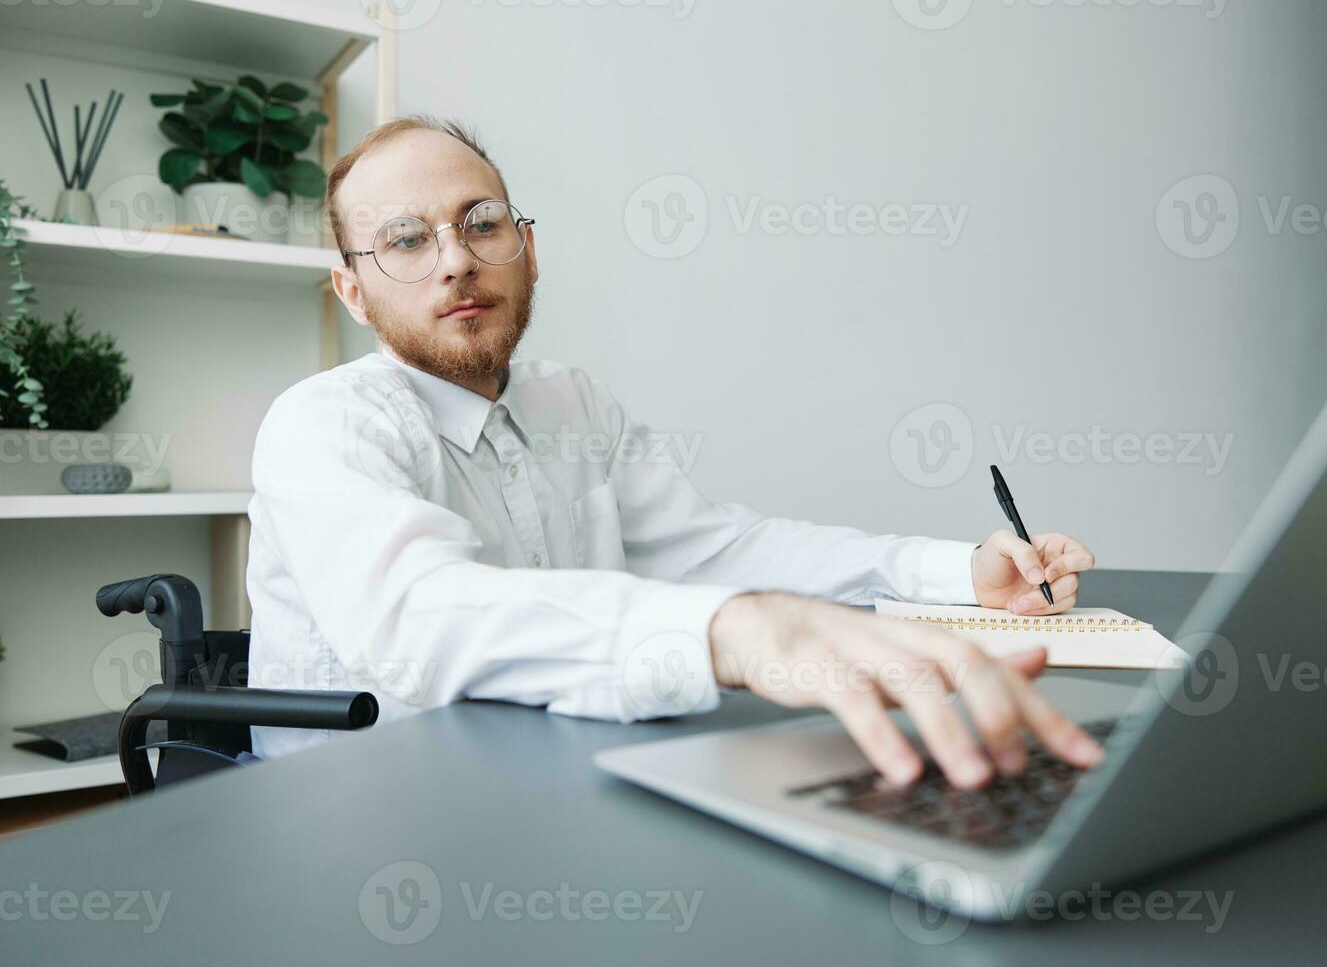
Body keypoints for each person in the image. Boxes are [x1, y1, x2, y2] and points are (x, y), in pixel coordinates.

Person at [246, 115, 1104, 789]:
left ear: (528, 247)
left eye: (482, 223)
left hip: (566, 773)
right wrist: (729, 631)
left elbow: (720, 551)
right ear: (353, 292)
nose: (457, 262)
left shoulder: (571, 401)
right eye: (406, 239)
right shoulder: (321, 426)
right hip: (359, 816)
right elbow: (416, 618)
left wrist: (956, 576)